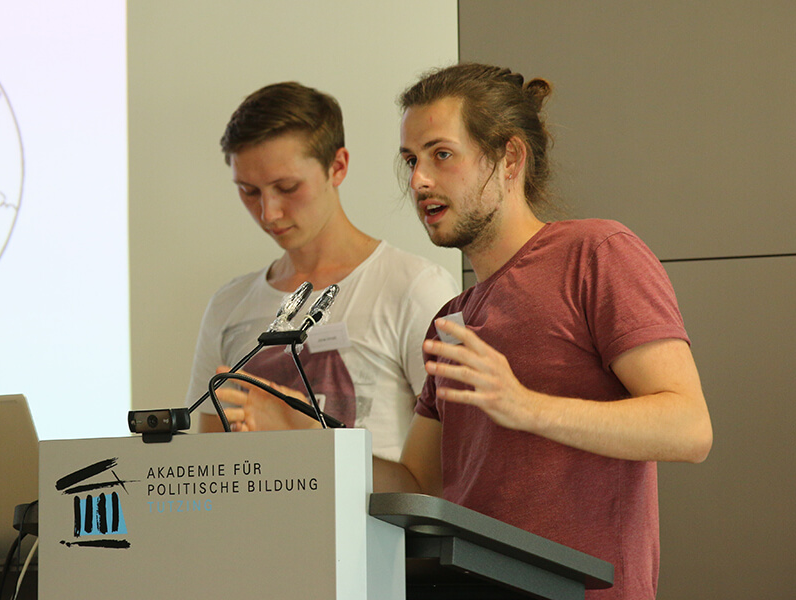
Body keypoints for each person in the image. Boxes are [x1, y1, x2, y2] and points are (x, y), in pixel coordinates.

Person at [373, 63, 714, 600]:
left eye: (441, 154)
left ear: (509, 158)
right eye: (411, 160)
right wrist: (316, 449)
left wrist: (526, 406)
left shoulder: (596, 253)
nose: (418, 180)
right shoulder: (450, 319)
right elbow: (418, 486)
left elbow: (689, 427)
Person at [186, 81, 459, 461]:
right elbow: (208, 468)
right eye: (249, 191)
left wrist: (306, 436)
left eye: (287, 187)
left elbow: (448, 474)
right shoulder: (229, 305)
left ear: (338, 166)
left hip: (375, 521)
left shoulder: (415, 289)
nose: (269, 212)